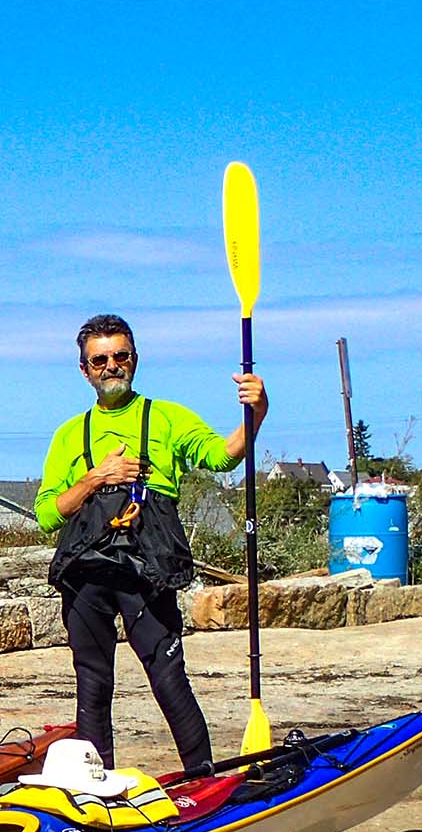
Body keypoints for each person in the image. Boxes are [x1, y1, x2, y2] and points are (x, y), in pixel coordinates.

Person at [36, 313, 268, 770]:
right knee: (93, 682)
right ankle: (93, 787)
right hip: (88, 572)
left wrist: (256, 412)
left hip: (148, 567)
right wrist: (97, 477)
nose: (111, 366)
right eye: (99, 360)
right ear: (84, 370)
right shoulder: (68, 435)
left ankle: (204, 781)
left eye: (120, 356)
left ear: (135, 360)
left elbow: (223, 456)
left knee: (167, 675)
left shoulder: (165, 417)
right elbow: (47, 514)